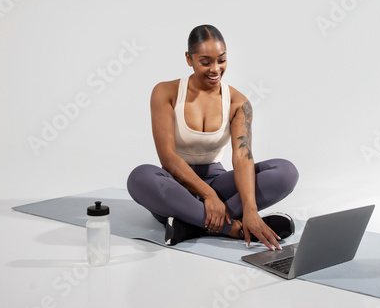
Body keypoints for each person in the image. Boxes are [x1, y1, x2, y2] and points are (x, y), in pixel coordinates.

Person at [127, 25, 299, 251]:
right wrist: (207, 196)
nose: (215, 69)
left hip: (219, 185)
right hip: (175, 187)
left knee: (286, 172)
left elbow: (242, 156)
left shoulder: (238, 103)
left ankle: (190, 225)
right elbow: (167, 157)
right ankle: (234, 229)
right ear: (189, 59)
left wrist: (250, 208)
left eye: (222, 60)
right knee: (139, 177)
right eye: (205, 62)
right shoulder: (165, 92)